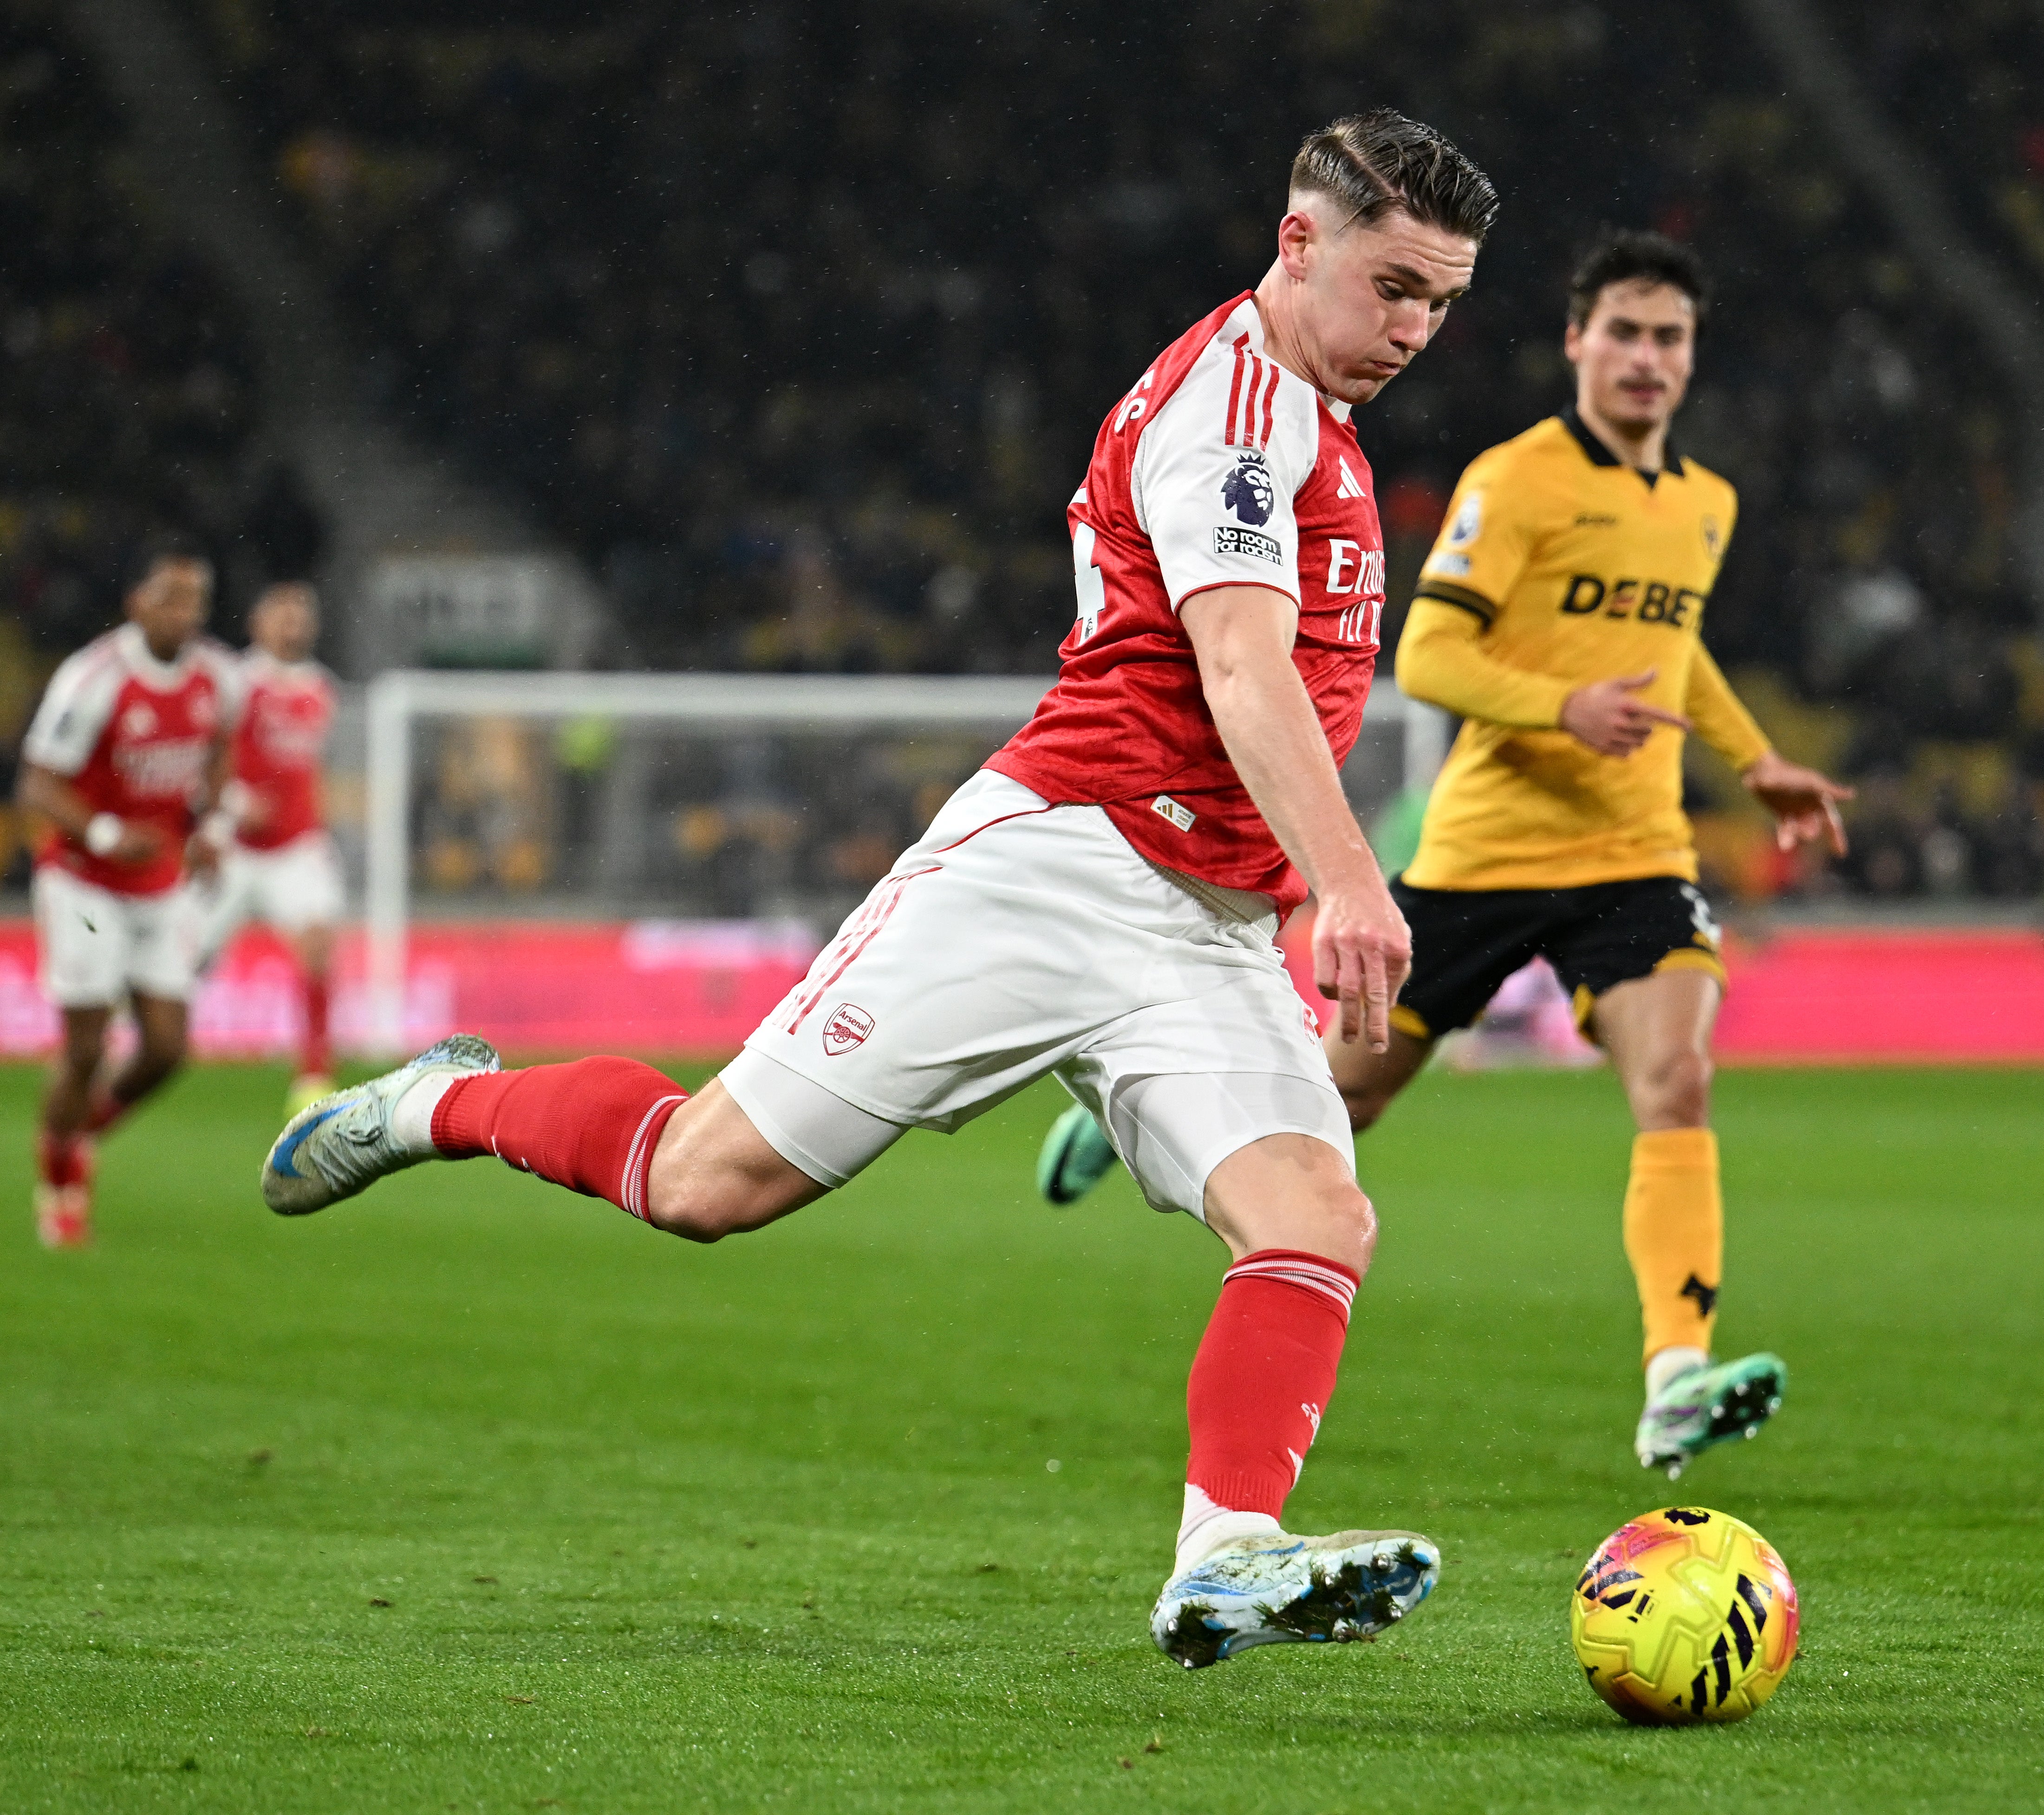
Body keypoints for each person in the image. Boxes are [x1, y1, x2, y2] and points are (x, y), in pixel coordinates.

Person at [260, 110, 1497, 1669]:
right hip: (1060, 866)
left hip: (1209, 922)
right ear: (1298, 242)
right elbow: (1241, 669)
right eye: (1395, 287)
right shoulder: (1234, 413)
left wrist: (1291, 886)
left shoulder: (1315, 415)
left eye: (1441, 301)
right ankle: (441, 1101)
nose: (1415, 329)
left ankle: (1225, 1552)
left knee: (1316, 1213)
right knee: (701, 1181)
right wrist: (1352, 883)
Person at [1039, 231, 1850, 1480]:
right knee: (1345, 1095)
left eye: (1669, 337)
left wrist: (1756, 761)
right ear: (1576, 342)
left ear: (1692, 356)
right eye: (1623, 332)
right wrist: (1561, 706)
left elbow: (1674, 648)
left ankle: (1674, 1378)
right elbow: (1431, 654)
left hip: (1633, 851)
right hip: (1484, 854)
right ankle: (1145, 1107)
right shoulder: (1516, 481)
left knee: (1676, 1080)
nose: (1646, 358)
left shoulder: (1706, 502)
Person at [22, 537, 239, 1248]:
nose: (186, 613)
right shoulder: (95, 678)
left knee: (168, 1048)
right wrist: (107, 833)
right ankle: (59, 1180)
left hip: (160, 882)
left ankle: (78, 1133)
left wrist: (211, 827)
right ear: (136, 602)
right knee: (86, 1050)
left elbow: (220, 749)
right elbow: (37, 782)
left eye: (196, 600)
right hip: (84, 884)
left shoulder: (217, 677)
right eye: (171, 598)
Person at [200, 582, 345, 1114]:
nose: (293, 625)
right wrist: (235, 804)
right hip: (232, 848)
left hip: (296, 847)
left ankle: (313, 1074)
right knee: (180, 960)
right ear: (257, 623)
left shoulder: (321, 688)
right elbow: (203, 756)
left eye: (301, 616)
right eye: (282, 615)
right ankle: (125, 1041)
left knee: (318, 945)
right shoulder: (236, 683)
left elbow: (311, 769)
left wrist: (318, 822)